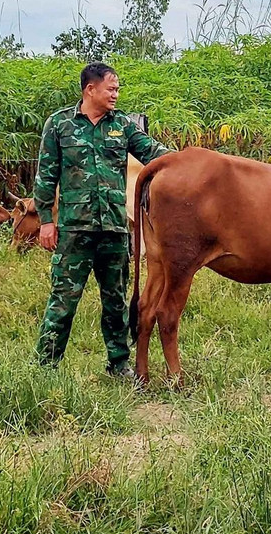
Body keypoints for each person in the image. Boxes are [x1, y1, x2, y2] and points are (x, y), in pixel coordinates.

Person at [33, 62, 171, 376]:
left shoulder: (122, 125)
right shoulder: (59, 125)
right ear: (90, 89)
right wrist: (45, 221)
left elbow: (153, 153)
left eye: (117, 89)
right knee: (63, 301)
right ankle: (45, 366)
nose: (116, 94)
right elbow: (45, 177)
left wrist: (190, 162)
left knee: (116, 303)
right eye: (111, 88)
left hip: (113, 228)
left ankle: (119, 364)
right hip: (73, 230)